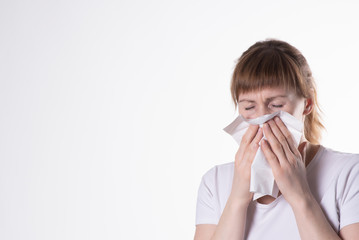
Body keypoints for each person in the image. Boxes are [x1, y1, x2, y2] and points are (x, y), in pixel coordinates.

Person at [194, 39, 359, 240]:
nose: (263, 119)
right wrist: (237, 199)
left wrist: (300, 197)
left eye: (276, 105)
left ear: (307, 104)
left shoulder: (350, 173)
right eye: (249, 107)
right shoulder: (215, 182)